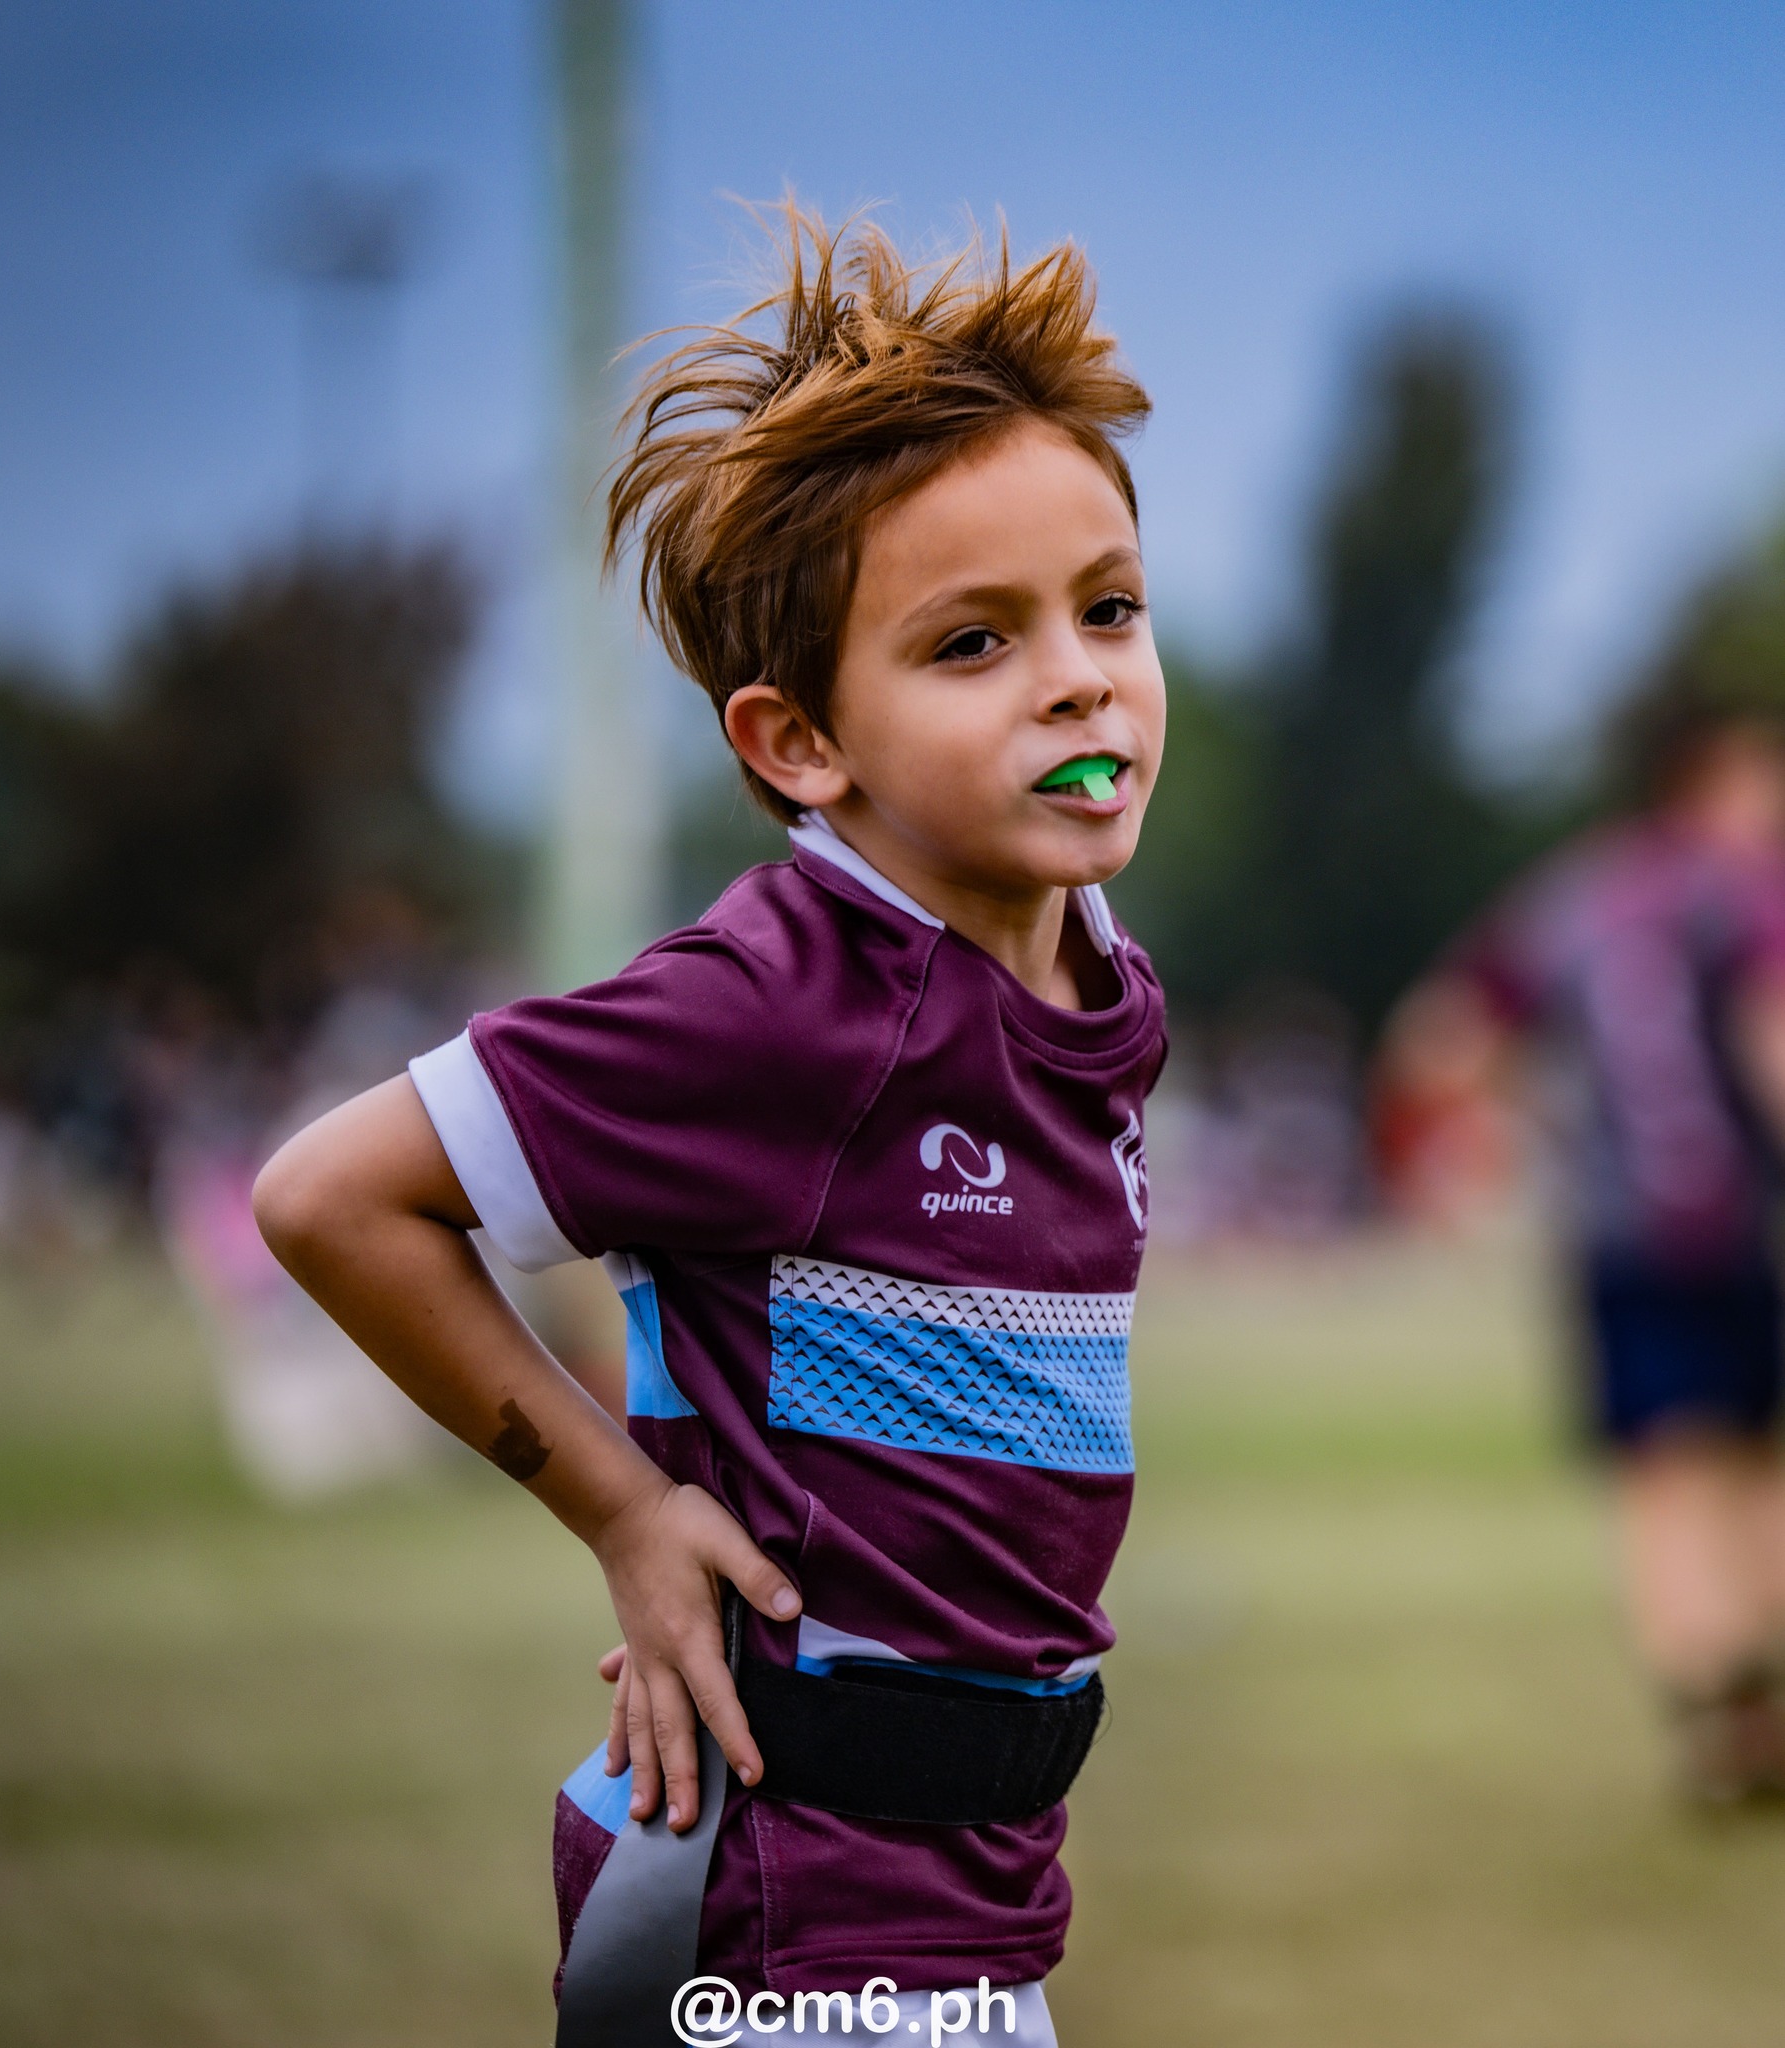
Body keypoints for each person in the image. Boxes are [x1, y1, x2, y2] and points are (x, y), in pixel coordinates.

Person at [252, 209, 1168, 2042]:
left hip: (975, 1894)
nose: (1075, 677)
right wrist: (625, 1508)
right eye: (972, 641)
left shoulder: (1090, 972)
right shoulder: (787, 998)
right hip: (792, 1894)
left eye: (1109, 607)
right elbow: (329, 1195)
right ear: (797, 741)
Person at [1380, 703, 1785, 1806]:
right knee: (1750, 1453)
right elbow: (1771, 1039)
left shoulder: (1574, 895)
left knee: (1660, 1467)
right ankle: (1749, 1664)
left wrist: (1524, 1126)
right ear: (1713, 778)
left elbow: (1437, 1043)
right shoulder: (1743, 890)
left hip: (1615, 1232)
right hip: (1741, 1228)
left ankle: (1708, 1683)